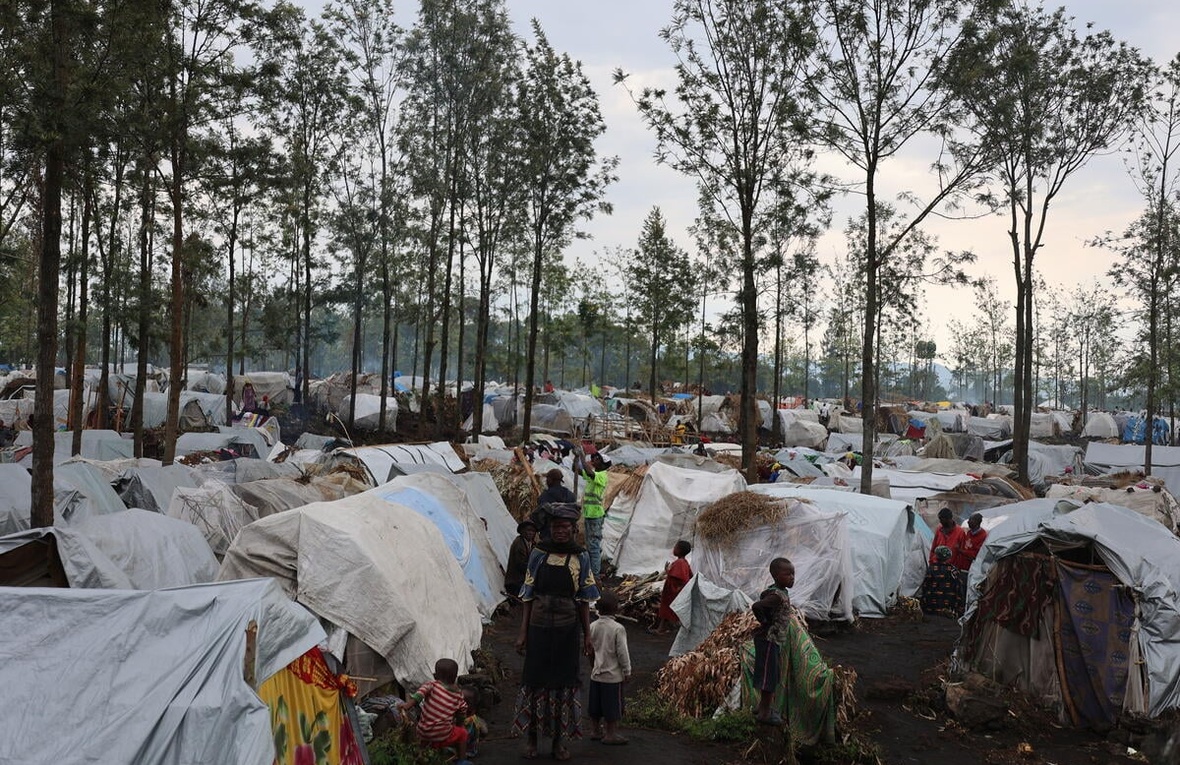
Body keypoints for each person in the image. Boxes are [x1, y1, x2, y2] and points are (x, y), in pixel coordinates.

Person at [513, 506, 600, 761]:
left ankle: (558, 742)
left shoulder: (581, 557)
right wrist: (522, 633)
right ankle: (531, 739)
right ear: (550, 529)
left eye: (565, 527)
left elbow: (584, 599)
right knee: (534, 680)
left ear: (574, 530)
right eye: (556, 527)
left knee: (564, 683)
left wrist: (588, 636)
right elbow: (527, 595)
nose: (561, 531)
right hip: (539, 627)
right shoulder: (539, 554)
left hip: (567, 628)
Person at [396, 658, 473, 765]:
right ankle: (462, 760)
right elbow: (462, 711)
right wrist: (459, 724)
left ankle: (420, 757)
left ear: (436, 676)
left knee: (422, 736)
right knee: (463, 733)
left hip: (423, 733)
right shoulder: (458, 696)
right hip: (443, 735)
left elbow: (420, 694)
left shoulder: (432, 685)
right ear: (455, 677)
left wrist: (408, 705)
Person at [751, 557, 795, 726]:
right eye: (787, 574)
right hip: (769, 640)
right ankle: (764, 713)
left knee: (770, 673)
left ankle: (762, 707)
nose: (792, 577)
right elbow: (757, 606)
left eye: (793, 574)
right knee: (769, 676)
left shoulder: (779, 592)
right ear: (776, 576)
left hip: (772, 640)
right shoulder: (776, 596)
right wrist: (765, 622)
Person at [588, 590, 631, 745]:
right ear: (616, 608)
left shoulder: (592, 626)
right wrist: (627, 671)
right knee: (612, 706)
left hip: (596, 673)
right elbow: (622, 653)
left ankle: (594, 730)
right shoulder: (618, 628)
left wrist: (592, 664)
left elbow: (589, 649)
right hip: (613, 676)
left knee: (595, 705)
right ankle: (610, 734)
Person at [577, 452, 610, 576]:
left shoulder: (602, 475)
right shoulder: (593, 476)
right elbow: (579, 471)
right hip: (589, 515)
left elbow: (589, 472)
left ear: (602, 463)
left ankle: (595, 575)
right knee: (590, 545)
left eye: (596, 459)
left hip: (595, 515)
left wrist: (581, 456)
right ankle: (592, 570)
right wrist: (576, 460)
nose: (593, 460)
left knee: (593, 546)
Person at [651, 541, 693, 635]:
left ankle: (665, 629)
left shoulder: (680, 563)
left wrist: (668, 572)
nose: (673, 549)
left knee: (667, 610)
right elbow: (689, 575)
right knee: (666, 611)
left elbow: (680, 577)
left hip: (673, 592)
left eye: (675, 547)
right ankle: (663, 628)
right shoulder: (684, 562)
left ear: (679, 550)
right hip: (673, 591)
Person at [531, 469, 576, 543]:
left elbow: (540, 518)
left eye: (547, 479)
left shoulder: (544, 496)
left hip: (549, 535)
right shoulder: (570, 495)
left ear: (550, 480)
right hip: (567, 534)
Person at [920, 545, 965, 618]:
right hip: (948, 608)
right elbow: (959, 589)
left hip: (931, 609)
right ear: (949, 557)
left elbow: (925, 586)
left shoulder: (931, 568)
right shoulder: (953, 570)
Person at [506, 520, 539, 599]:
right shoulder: (519, 543)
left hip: (523, 579)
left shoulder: (531, 544)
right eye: (528, 530)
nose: (530, 533)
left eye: (533, 531)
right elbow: (520, 565)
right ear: (522, 531)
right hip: (516, 581)